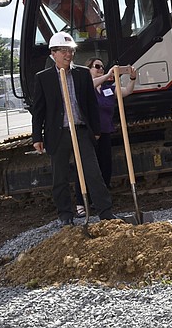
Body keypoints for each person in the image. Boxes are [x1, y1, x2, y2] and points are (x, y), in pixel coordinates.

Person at [31, 31, 119, 226]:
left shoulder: (81, 74)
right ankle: (65, 215)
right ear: (53, 54)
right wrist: (37, 135)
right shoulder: (43, 78)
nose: (68, 54)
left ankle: (105, 213)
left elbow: (91, 104)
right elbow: (38, 110)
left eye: (70, 50)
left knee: (93, 173)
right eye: (63, 51)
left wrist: (95, 129)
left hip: (80, 130)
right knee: (60, 176)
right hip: (58, 132)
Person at [74, 58, 137, 217]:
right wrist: (109, 73)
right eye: (97, 66)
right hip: (89, 133)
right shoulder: (85, 86)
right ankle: (81, 202)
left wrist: (132, 78)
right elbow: (90, 85)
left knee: (105, 165)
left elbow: (127, 91)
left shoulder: (109, 88)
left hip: (105, 131)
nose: (100, 69)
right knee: (85, 166)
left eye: (102, 67)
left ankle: (100, 200)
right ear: (88, 69)